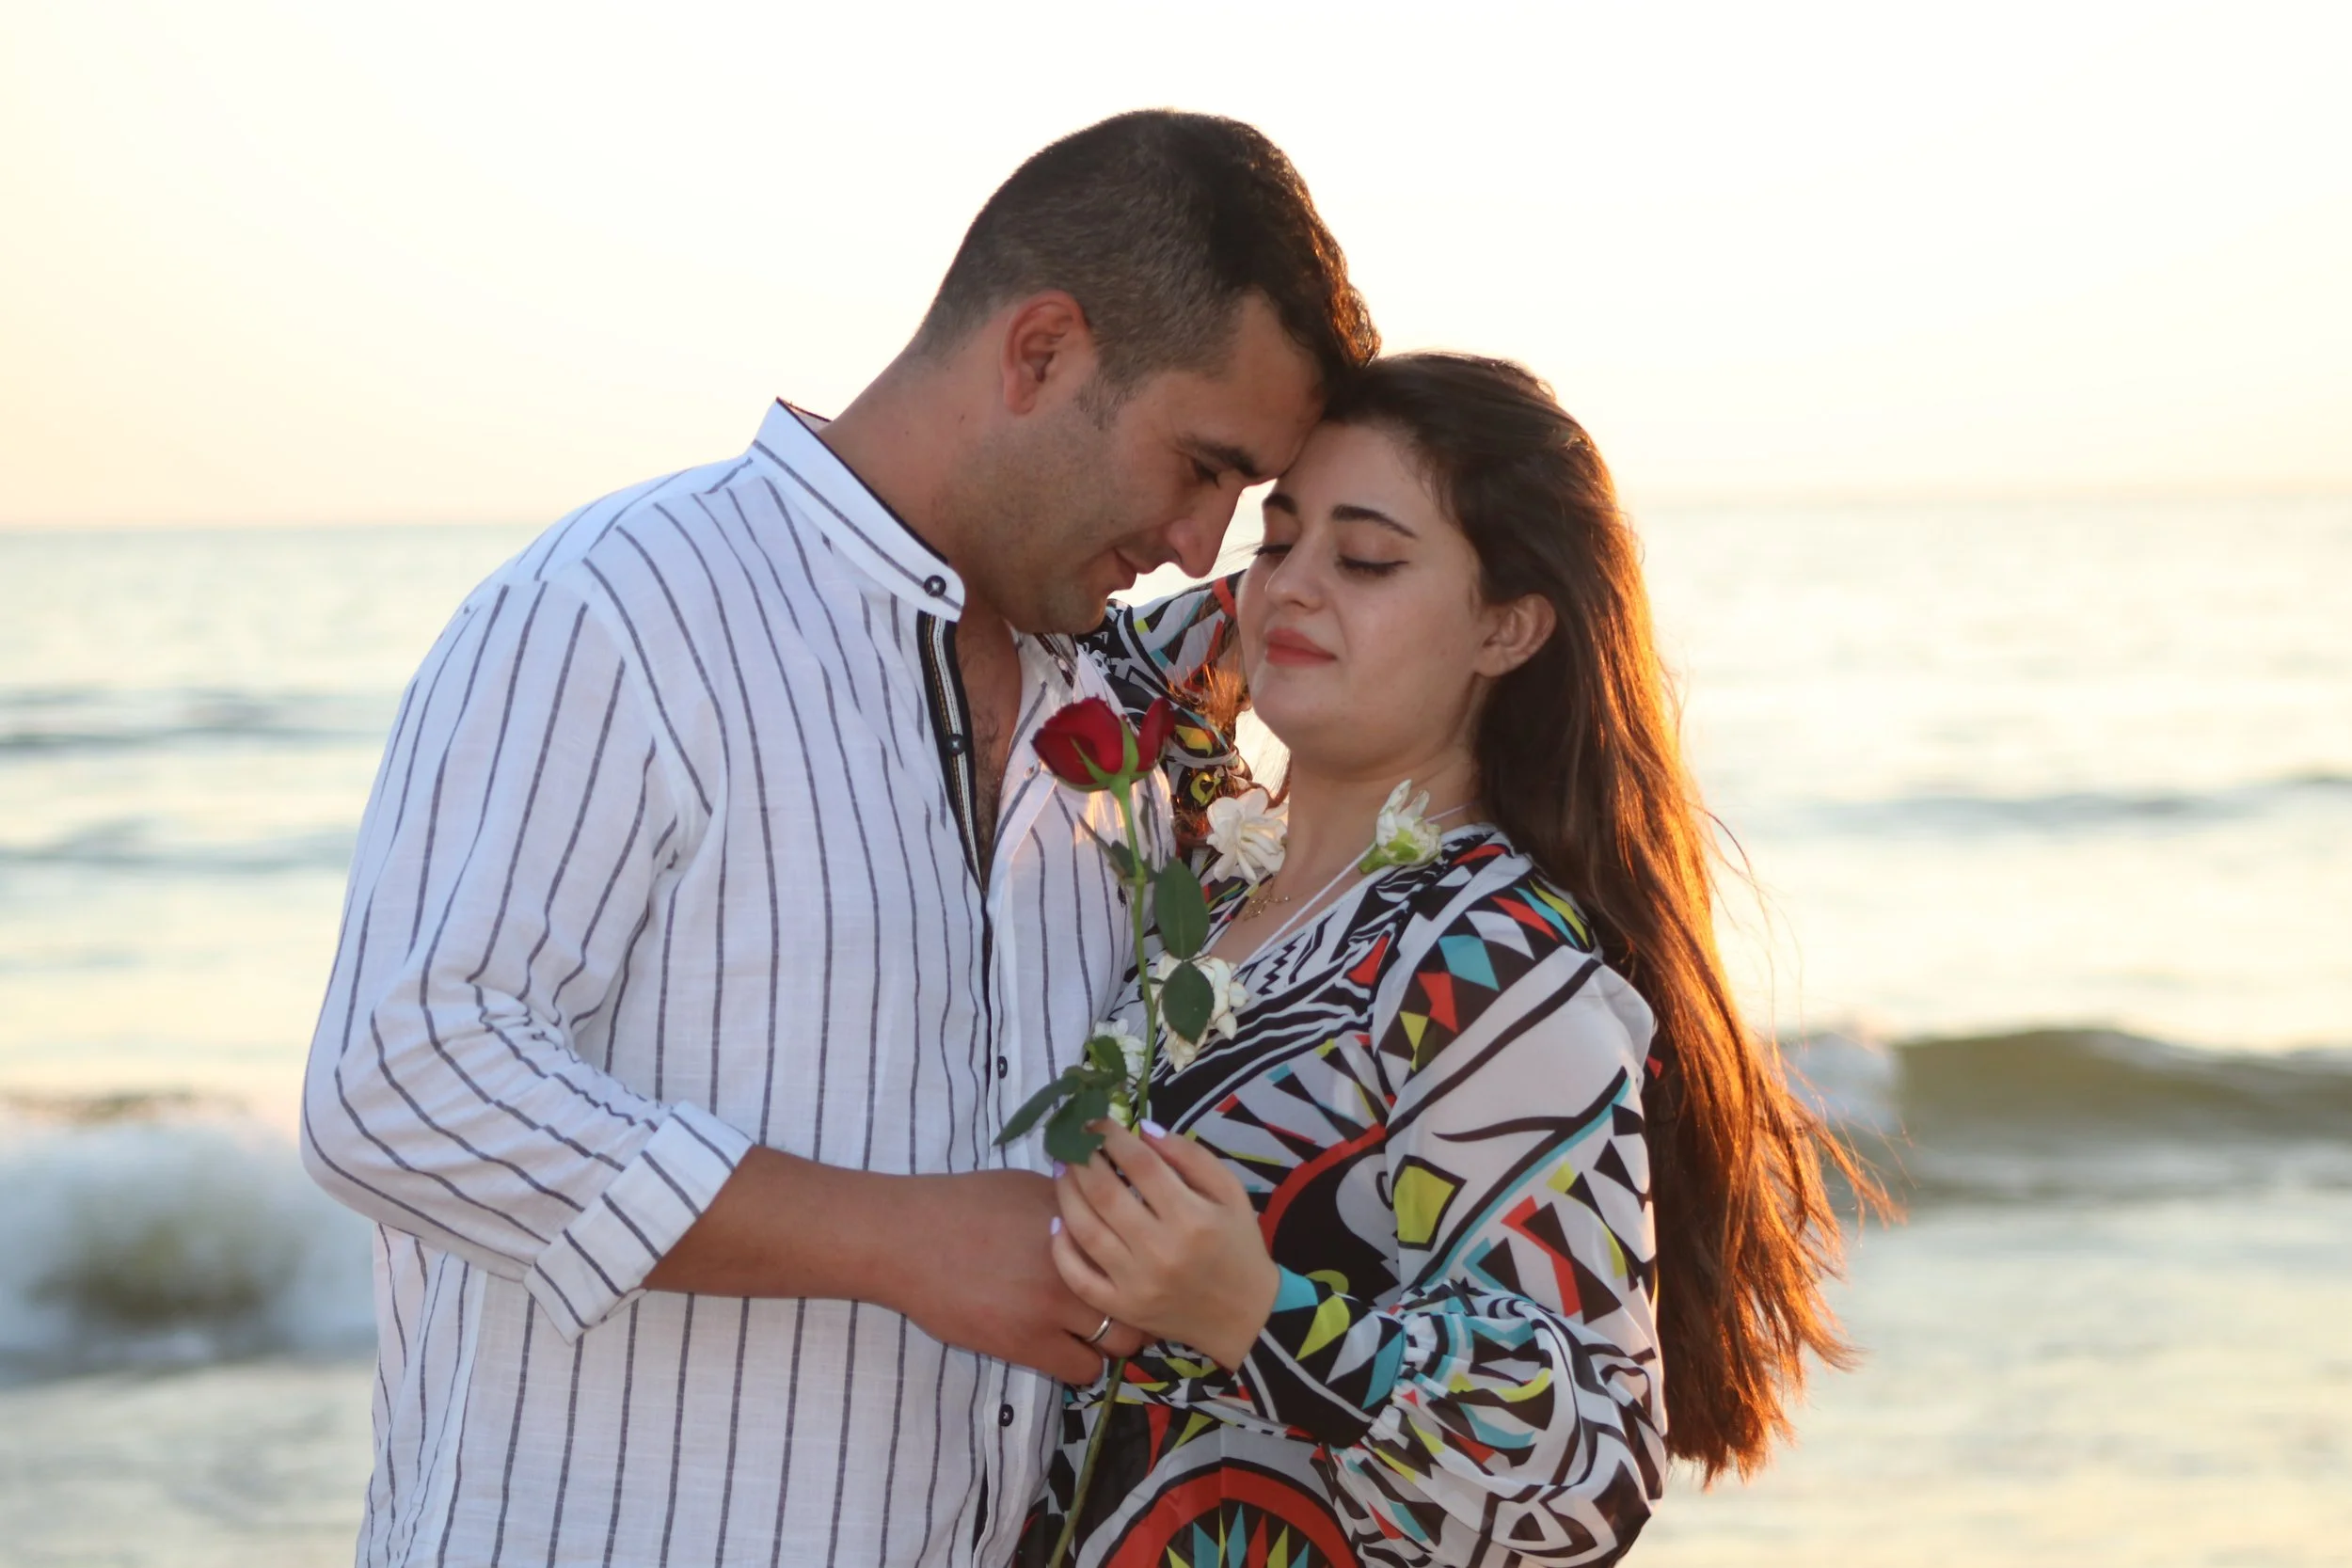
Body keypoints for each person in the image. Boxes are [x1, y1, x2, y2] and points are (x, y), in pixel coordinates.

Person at [299, 110, 1375, 1568]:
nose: (1202, 543)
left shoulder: (1116, 727)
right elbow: (398, 1083)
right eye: (1200, 464)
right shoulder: (624, 606)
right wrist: (900, 1241)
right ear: (1040, 352)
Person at [1022, 354, 1860, 1566]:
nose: (1294, 585)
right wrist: (1271, 597)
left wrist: (1251, 1312)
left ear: (1507, 627)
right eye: (1277, 541)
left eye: (1368, 558)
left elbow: (1586, 1470)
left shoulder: (1482, 955)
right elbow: (1081, 663)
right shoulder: (1215, 868)